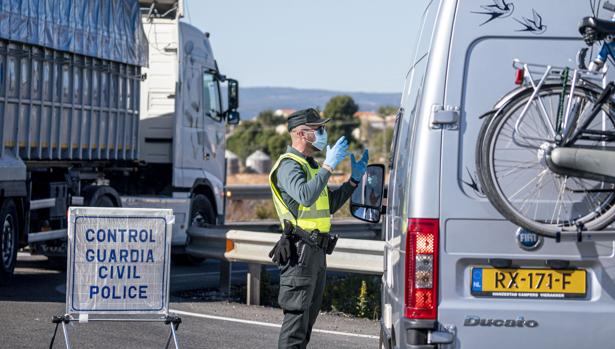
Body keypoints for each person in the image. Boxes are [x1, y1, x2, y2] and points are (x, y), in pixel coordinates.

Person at [268, 108, 368, 349]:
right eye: (319, 129)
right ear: (302, 134)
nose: (324, 134)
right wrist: (329, 166)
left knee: (305, 325)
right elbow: (304, 195)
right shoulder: (289, 166)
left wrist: (353, 181)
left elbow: (329, 204)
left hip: (315, 252)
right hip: (300, 253)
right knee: (295, 325)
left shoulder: (310, 166)